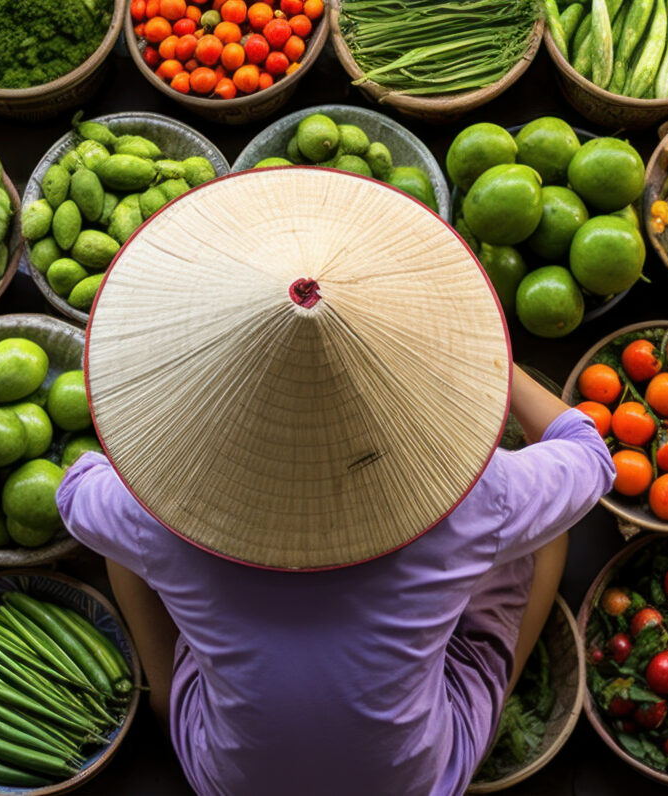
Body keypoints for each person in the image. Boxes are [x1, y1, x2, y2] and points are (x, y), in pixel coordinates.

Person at [55, 167, 614, 796]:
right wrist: (493, 364)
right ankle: (488, 684)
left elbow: (76, 494)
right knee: (544, 539)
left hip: (227, 777)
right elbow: (589, 454)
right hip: (414, 781)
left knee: (132, 525)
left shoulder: (153, 513)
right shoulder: (482, 497)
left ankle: (164, 698)